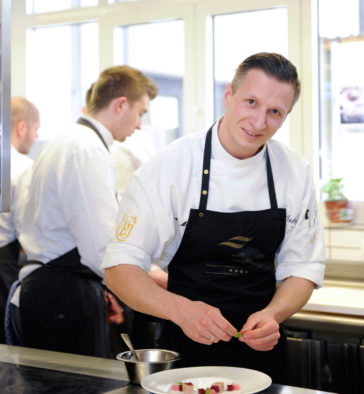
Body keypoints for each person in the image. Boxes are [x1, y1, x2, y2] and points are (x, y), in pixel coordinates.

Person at [102, 52, 325, 383]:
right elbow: (119, 271)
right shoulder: (170, 167)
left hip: (263, 356)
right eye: (251, 101)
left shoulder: (295, 172)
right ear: (228, 96)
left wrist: (272, 315)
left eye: (275, 112)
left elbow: (303, 269)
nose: (259, 121)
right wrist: (182, 310)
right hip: (184, 354)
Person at [6, 65, 157, 357]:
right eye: (141, 113)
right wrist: (150, 279)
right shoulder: (87, 149)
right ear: (121, 104)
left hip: (51, 287)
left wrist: (106, 286)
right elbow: (101, 248)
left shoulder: (67, 141)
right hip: (61, 294)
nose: (139, 125)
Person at [0, 97, 39, 343]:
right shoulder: (22, 167)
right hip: (5, 263)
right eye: (35, 130)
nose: (35, 137)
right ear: (21, 127)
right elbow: (28, 230)